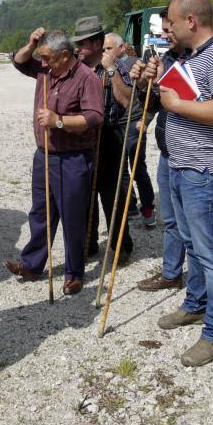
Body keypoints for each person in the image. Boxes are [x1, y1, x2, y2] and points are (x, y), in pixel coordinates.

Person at [136, 0, 213, 366]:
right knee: (191, 244)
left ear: (191, 22)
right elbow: (154, 101)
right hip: (178, 166)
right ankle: (195, 304)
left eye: (174, 23)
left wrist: (178, 105)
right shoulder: (186, 57)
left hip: (205, 172)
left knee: (212, 253)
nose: (169, 30)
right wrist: (146, 80)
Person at [5, 29, 104, 295]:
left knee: (72, 218)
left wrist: (58, 121)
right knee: (40, 213)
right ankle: (32, 264)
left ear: (64, 55)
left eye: (47, 58)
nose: (43, 63)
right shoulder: (46, 70)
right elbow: (19, 61)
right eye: (42, 58)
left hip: (73, 158)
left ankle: (74, 273)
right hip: (44, 156)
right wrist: (31, 43)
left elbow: (94, 118)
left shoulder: (86, 77)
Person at [135, 7, 189, 291]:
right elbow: (157, 101)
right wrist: (144, 83)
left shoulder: (201, 59)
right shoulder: (167, 58)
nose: (164, 35)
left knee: (191, 225)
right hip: (167, 152)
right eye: (163, 31)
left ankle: (199, 287)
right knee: (169, 220)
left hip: (192, 156)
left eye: (168, 30)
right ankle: (171, 273)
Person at [75, 17, 137, 262]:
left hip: (109, 136)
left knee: (113, 197)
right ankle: (88, 244)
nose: (78, 48)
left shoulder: (115, 66)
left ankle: (121, 247)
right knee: (84, 196)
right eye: (77, 42)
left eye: (84, 43)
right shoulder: (75, 69)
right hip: (82, 140)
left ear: (98, 43)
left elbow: (128, 102)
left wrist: (111, 70)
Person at [105, 31, 156, 227]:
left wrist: (145, 119)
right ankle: (130, 205)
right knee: (121, 168)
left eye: (109, 48)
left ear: (121, 47)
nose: (105, 52)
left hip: (134, 122)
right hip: (116, 123)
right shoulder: (106, 67)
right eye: (104, 49)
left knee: (138, 167)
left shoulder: (135, 63)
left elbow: (152, 96)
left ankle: (148, 208)